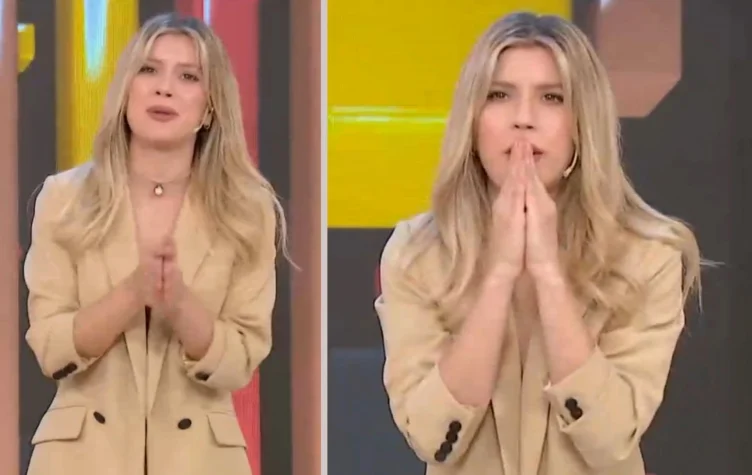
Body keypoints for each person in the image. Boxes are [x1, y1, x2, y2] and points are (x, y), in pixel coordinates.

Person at [375, 11, 702, 475]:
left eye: (552, 97)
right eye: (499, 95)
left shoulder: (647, 256)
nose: (523, 119)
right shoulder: (417, 254)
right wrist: (499, 275)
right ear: (472, 119)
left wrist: (549, 273)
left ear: (582, 122)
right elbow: (432, 436)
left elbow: (612, 437)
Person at [23, 13, 285, 475]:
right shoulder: (64, 199)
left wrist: (179, 303)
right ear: (127, 90)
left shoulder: (246, 211)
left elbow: (241, 360)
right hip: (80, 458)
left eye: (188, 77)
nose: (164, 88)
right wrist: (132, 293)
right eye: (149, 70)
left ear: (209, 109)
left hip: (201, 461)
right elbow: (51, 347)